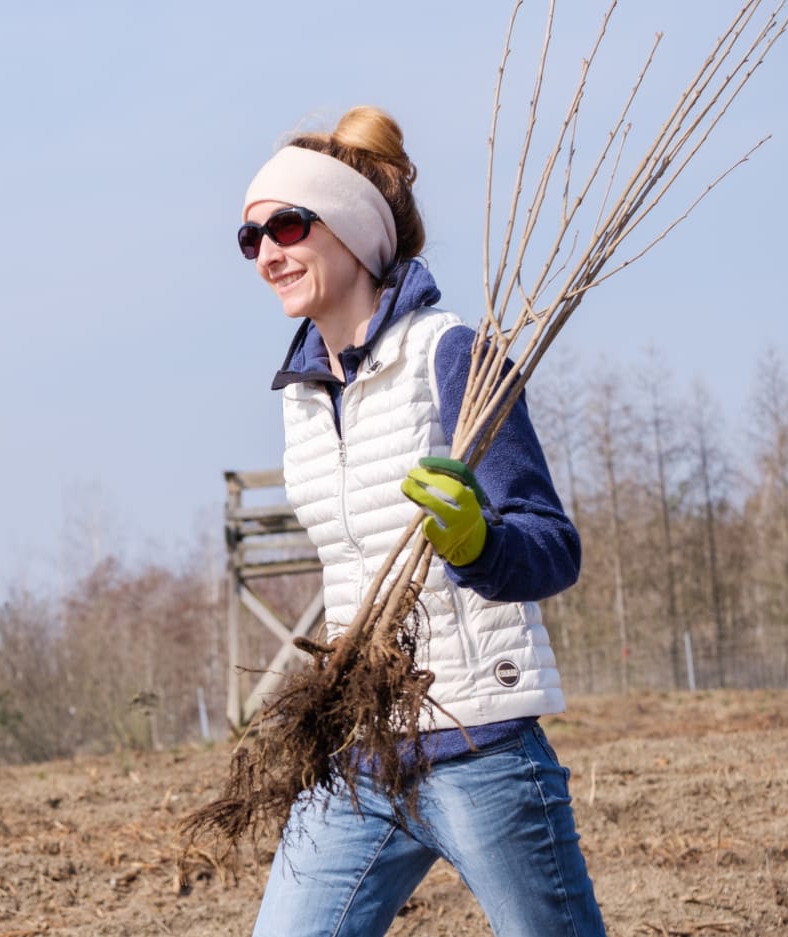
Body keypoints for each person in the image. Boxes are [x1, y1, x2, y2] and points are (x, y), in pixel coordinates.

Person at [239, 105, 606, 937]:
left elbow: (553, 546)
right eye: (250, 238)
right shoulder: (300, 397)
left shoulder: (451, 354)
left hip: (479, 744)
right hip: (361, 757)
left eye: (288, 225)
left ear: (356, 233)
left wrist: (478, 543)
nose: (267, 252)